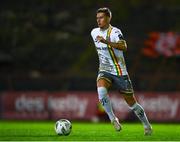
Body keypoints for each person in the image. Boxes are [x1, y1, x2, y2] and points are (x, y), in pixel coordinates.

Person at [91, 7, 152, 135]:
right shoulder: (94, 32)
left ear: (108, 18)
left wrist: (106, 41)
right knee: (101, 90)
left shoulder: (115, 32)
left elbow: (124, 46)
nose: (98, 20)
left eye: (101, 17)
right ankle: (113, 119)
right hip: (104, 69)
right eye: (97, 18)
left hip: (120, 72)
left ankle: (147, 125)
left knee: (132, 103)